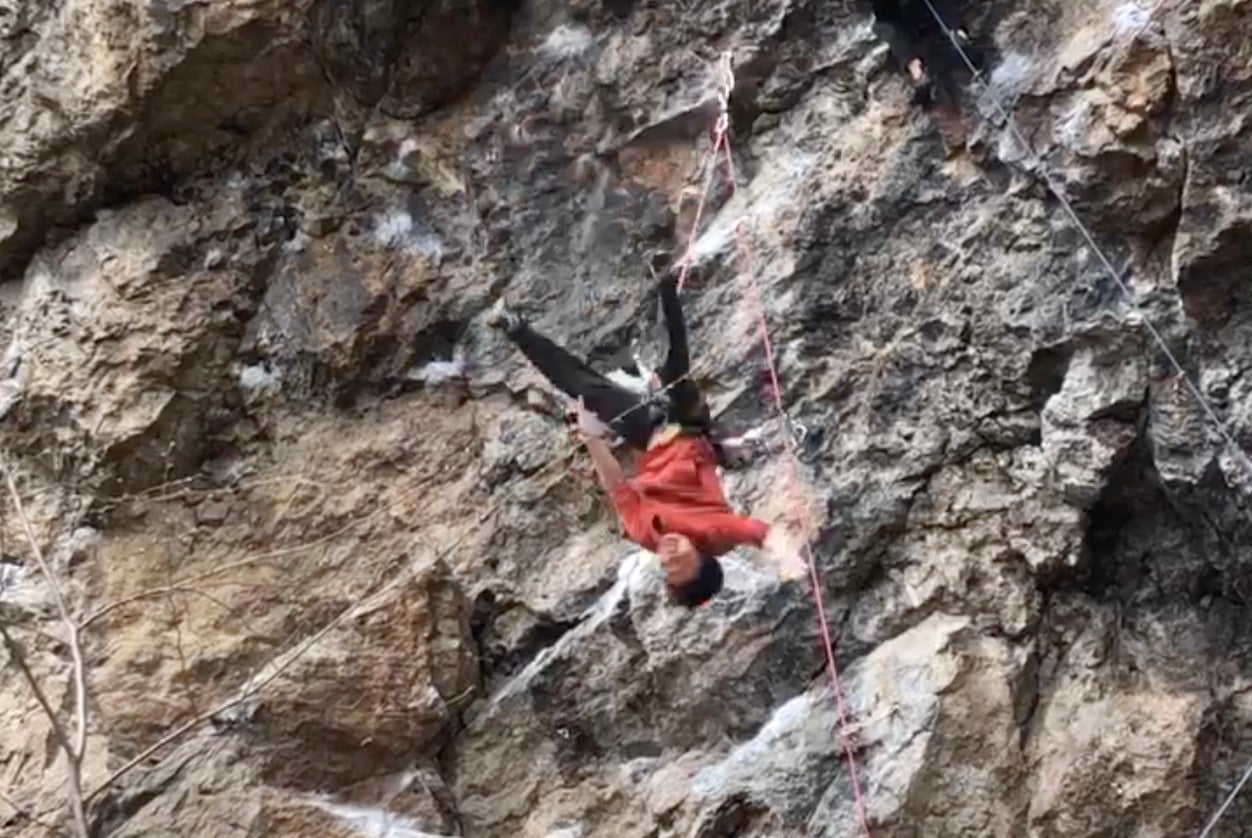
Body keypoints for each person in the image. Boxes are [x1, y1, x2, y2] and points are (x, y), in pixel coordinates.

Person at [487, 276, 804, 605]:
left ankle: (516, 328)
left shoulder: (646, 534)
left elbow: (616, 486)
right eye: (681, 562)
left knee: (586, 390)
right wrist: (787, 557)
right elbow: (760, 534)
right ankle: (665, 277)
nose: (668, 558)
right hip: (688, 429)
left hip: (651, 434)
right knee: (676, 370)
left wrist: (592, 437)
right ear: (703, 557)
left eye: (668, 568)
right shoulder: (715, 532)